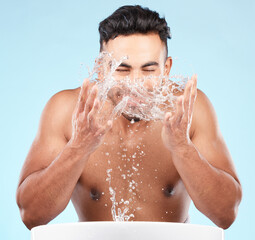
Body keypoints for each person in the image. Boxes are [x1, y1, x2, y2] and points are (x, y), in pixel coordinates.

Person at [16, 5, 242, 230]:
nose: (135, 83)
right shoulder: (67, 111)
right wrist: (79, 147)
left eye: (148, 69)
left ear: (166, 68)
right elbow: (31, 215)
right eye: (122, 69)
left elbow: (226, 214)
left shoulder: (188, 110)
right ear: (102, 69)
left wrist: (182, 147)